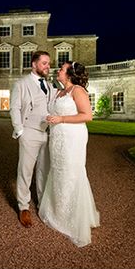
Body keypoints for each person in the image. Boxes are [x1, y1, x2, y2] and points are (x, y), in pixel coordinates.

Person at [40, 61, 100, 247]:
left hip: (73, 137)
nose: (58, 71)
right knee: (58, 171)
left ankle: (72, 217)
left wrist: (61, 119)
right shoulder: (59, 92)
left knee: (71, 172)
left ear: (70, 74)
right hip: (57, 137)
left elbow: (87, 115)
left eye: (61, 69)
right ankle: (58, 212)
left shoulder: (77, 90)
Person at [10, 51, 57, 228]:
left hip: (48, 133)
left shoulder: (51, 85)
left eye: (48, 63)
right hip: (29, 131)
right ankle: (23, 207)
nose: (47, 66)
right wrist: (20, 130)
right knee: (25, 170)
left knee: (45, 170)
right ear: (34, 65)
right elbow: (14, 108)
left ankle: (42, 204)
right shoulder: (22, 83)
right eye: (44, 63)